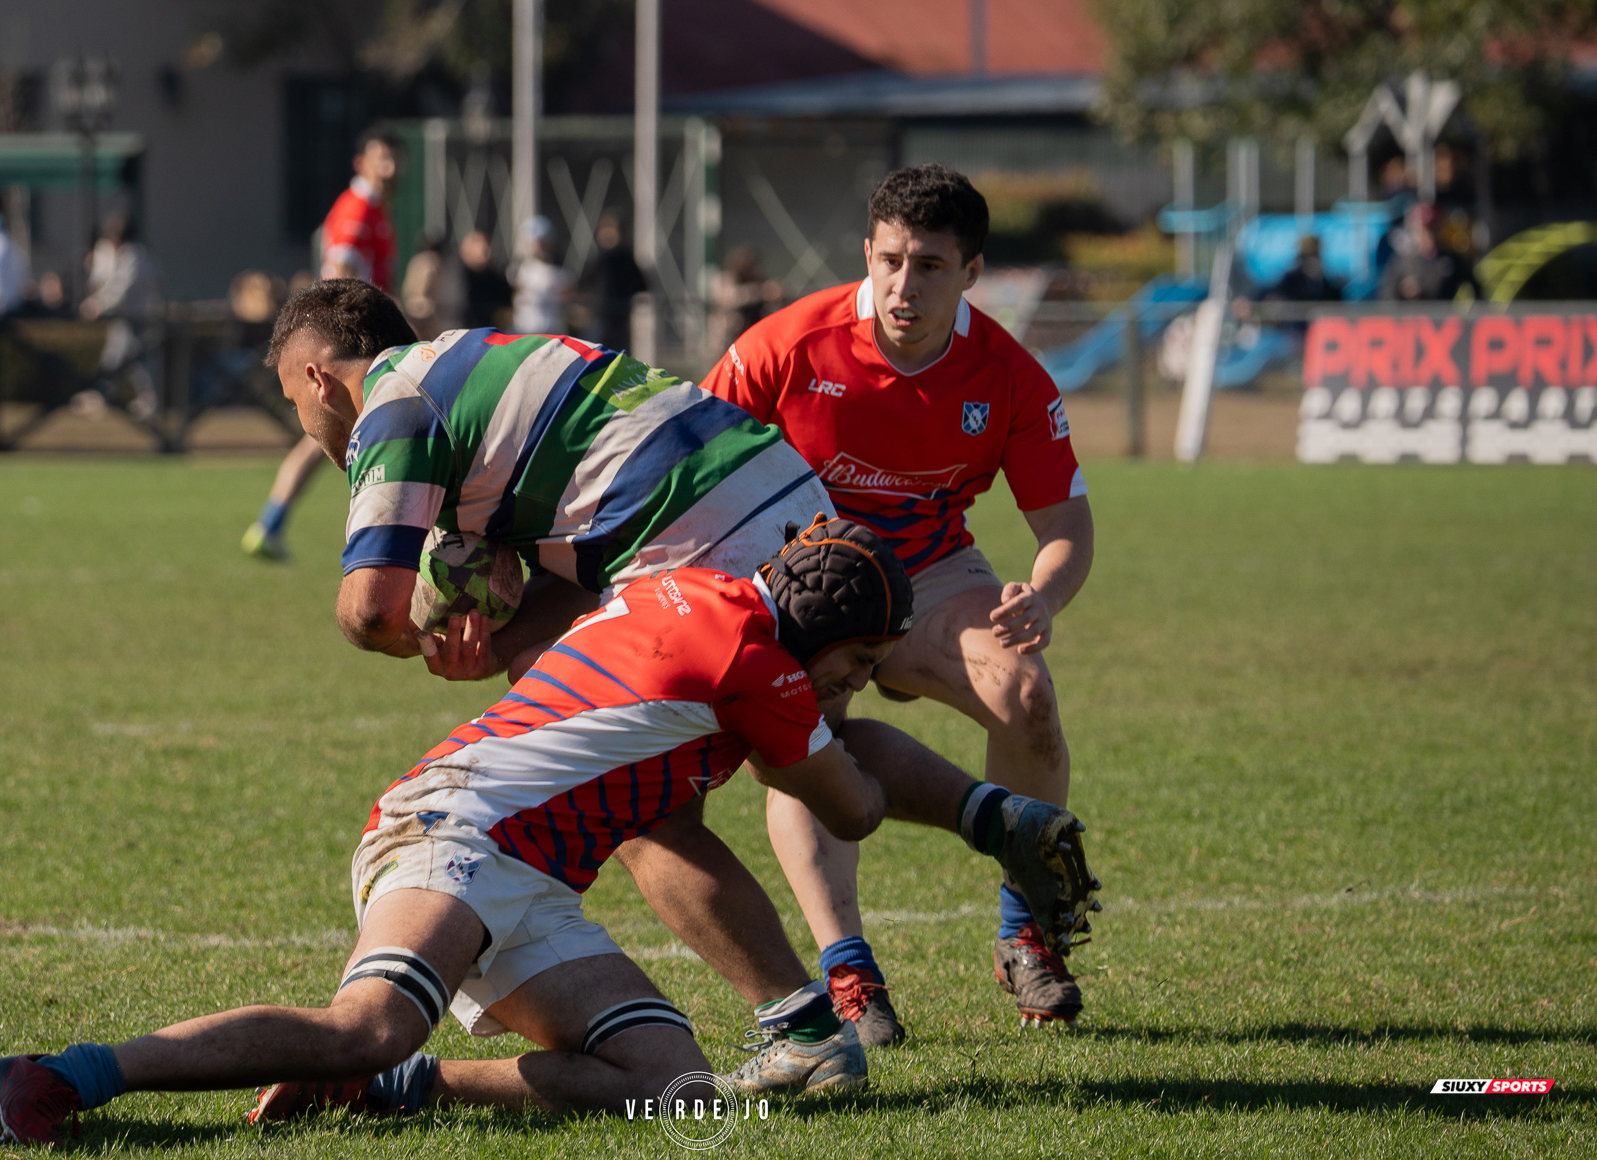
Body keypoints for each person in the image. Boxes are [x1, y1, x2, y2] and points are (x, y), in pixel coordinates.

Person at [0, 523, 1094, 1144]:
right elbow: (847, 803)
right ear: (818, 642)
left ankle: (395, 1092)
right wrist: (957, 795)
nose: (857, 688)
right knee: (369, 1020)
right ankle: (62, 1074)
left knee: (683, 1092)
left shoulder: (688, 583)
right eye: (854, 668)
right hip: (452, 826)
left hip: (535, 875)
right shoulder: (755, 665)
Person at [265, 277, 1100, 1073]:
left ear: (317, 377)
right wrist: (490, 641)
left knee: (643, 815)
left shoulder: (396, 401)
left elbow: (370, 609)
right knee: (809, 738)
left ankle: (801, 1030)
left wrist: (423, 639)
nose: (305, 426)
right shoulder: (477, 358)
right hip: (783, 503)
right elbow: (564, 550)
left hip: (694, 545)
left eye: (294, 405)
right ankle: (995, 817)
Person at [701, 164, 1097, 1036]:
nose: (902, 286)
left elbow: (1067, 523)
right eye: (889, 261)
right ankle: (851, 977)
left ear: (972, 273)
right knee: (809, 746)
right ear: (866, 255)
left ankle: (1026, 935)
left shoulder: (1010, 375)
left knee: (1026, 693)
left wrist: (1047, 593)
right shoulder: (785, 345)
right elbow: (690, 464)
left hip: (930, 572)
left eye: (928, 266)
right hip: (798, 583)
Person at [243, 129, 404, 560]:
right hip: (355, 343)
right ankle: (385, 546)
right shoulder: (360, 207)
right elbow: (342, 273)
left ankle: (270, 524)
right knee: (381, 435)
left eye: (396, 159)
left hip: (356, 338)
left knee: (327, 438)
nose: (390, 169)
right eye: (382, 159)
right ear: (361, 162)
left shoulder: (374, 208)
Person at [80, 210, 164, 420]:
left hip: (140, 318)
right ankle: (111, 396)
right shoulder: (125, 255)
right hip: (129, 318)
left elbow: (119, 290)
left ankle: (107, 396)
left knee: (130, 360)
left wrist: (97, 305)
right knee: (127, 359)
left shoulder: (133, 257)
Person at [1377, 204, 1479, 303]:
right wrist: (1402, 293)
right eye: (1425, 229)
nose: (1430, 234)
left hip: (1443, 317)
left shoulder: (1451, 260)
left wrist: (1468, 316)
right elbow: (1386, 296)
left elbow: (1477, 289)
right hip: (1412, 317)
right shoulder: (1402, 261)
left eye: (1434, 228)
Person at [578, 210, 646, 352]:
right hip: (600, 313)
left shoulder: (623, 256)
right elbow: (584, 281)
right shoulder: (599, 257)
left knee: (617, 352)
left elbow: (640, 284)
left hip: (618, 315)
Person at [509, 215, 571, 334]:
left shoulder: (560, 271)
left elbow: (568, 296)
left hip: (552, 329)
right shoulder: (516, 269)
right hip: (523, 328)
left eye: (542, 242)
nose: (537, 246)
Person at [457, 229, 511, 331]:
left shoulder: (495, 277)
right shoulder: (456, 276)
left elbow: (505, 308)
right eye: (482, 249)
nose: (487, 252)